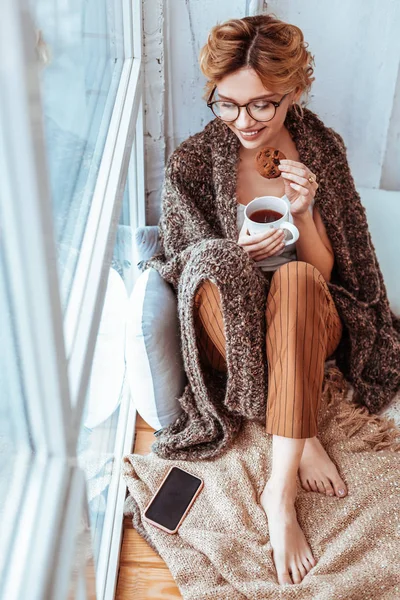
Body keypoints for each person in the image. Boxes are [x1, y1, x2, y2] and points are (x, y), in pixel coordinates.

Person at [192, 14, 346, 586]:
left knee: (299, 281)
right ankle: (298, 432)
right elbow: (190, 275)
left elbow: (329, 274)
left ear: (294, 92)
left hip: (305, 318)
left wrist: (304, 213)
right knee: (217, 262)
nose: (244, 121)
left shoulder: (319, 150)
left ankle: (278, 497)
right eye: (227, 104)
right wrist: (231, 255)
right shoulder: (193, 162)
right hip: (228, 328)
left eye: (262, 105)